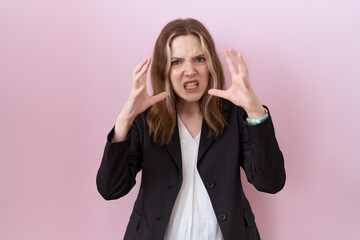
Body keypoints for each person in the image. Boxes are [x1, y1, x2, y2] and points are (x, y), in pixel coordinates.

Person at [96, 18, 286, 240]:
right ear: (164, 70)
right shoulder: (145, 119)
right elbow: (111, 189)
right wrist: (124, 120)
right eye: (176, 62)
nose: (190, 71)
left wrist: (255, 111)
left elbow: (271, 182)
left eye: (199, 59)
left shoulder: (234, 115)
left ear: (211, 65)